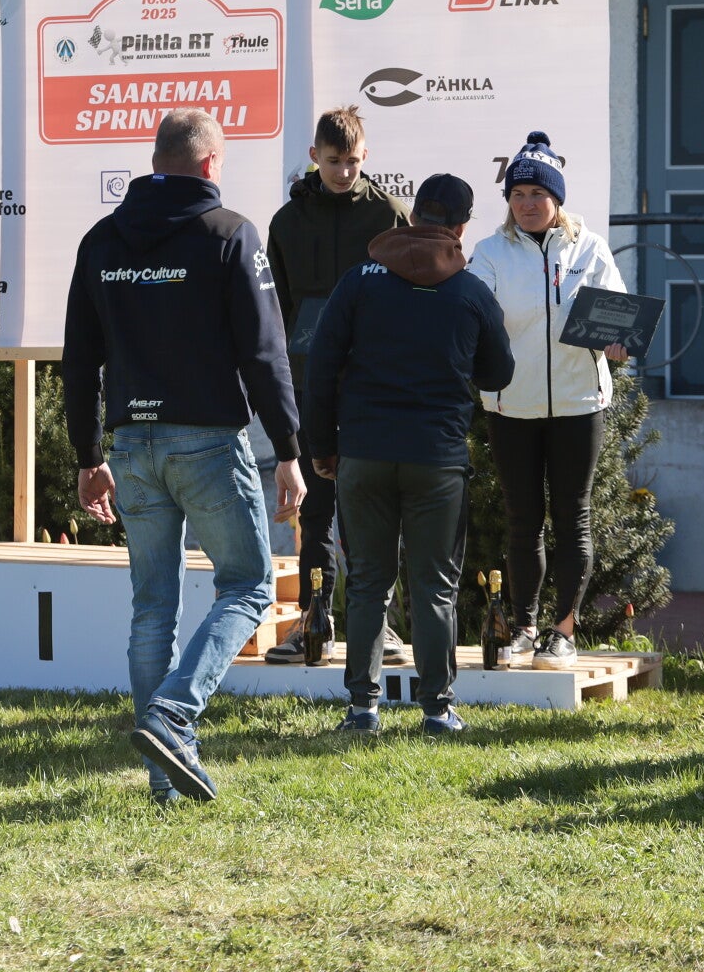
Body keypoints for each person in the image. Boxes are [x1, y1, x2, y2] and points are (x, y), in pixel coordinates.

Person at [62, 108, 307, 804]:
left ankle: (163, 780)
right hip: (205, 442)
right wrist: (289, 449)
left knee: (152, 610)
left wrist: (88, 456)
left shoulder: (101, 239)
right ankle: (175, 713)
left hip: (130, 446)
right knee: (249, 585)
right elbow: (265, 354)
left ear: (155, 162)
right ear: (209, 164)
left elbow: (78, 360)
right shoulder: (229, 233)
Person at [303, 173, 513, 735]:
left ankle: (361, 708)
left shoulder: (360, 281)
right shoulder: (471, 292)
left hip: (364, 453)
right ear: (461, 229)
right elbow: (500, 373)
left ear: (413, 216)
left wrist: (322, 446)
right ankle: (438, 710)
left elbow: (320, 367)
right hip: (437, 459)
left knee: (368, 583)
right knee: (435, 587)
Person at [468, 131, 628, 670]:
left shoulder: (591, 249)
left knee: (572, 518)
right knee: (523, 520)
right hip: (511, 407)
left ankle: (563, 632)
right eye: (518, 194)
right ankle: (523, 627)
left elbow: (619, 317)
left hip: (580, 404)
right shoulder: (490, 253)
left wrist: (618, 342)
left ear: (557, 197)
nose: (528, 203)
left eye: (538, 193)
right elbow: (475, 319)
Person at [265, 104, 411, 666]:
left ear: (365, 155)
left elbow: (412, 300)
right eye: (333, 162)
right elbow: (276, 311)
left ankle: (379, 625)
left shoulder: (390, 214)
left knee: (370, 510)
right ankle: (314, 620)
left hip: (372, 390)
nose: (344, 172)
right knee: (316, 511)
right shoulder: (287, 222)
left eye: (352, 161)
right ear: (314, 157)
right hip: (309, 390)